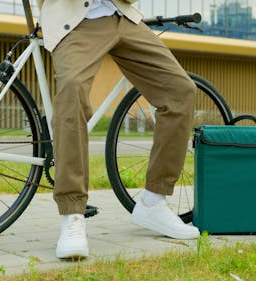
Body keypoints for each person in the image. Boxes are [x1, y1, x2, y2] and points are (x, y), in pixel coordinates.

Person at [36, 0, 201, 259]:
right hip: (76, 21)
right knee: (72, 90)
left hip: (122, 17)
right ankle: (72, 213)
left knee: (180, 91)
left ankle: (154, 201)